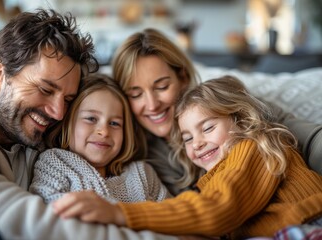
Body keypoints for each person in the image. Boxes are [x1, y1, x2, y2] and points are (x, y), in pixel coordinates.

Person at [0, 9, 177, 240]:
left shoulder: (38, 131)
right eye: (45, 89)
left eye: (68, 100)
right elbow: (32, 225)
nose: (58, 112)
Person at [52, 75, 322, 239]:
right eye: (188, 138)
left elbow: (217, 210)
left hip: (307, 226)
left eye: (208, 128)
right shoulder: (213, 175)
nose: (198, 143)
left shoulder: (253, 147)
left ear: (240, 120)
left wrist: (119, 213)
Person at [110, 28, 322, 196]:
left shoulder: (221, 101)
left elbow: (308, 138)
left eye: (161, 87)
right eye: (135, 94)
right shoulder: (142, 156)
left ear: (182, 78)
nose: (152, 104)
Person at [29, 73, 169, 204]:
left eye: (114, 123)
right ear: (67, 124)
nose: (104, 131)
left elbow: (173, 215)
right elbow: (53, 216)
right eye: (91, 118)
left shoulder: (142, 174)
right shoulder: (53, 164)